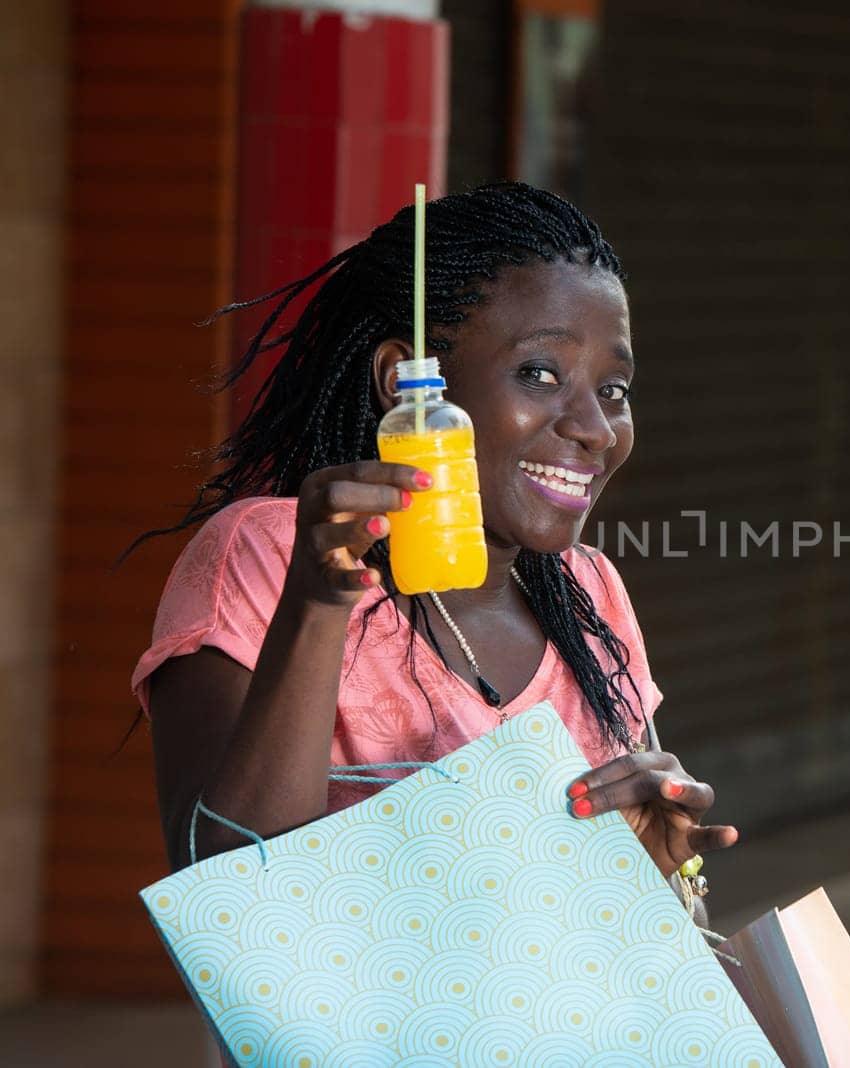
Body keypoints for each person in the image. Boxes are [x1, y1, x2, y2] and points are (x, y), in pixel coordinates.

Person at [133, 184, 734, 918]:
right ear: (406, 382)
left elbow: (678, 936)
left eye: (614, 388)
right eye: (540, 374)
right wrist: (318, 608)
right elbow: (225, 895)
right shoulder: (268, 553)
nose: (596, 429)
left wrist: (666, 875)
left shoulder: (590, 592)